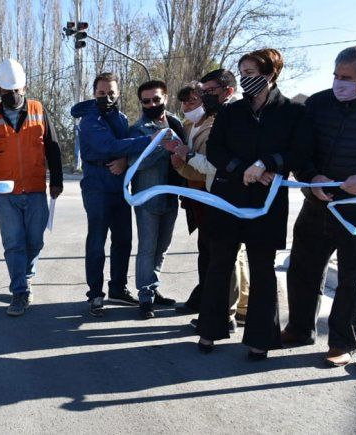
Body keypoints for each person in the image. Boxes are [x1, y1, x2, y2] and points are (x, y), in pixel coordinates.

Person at [284, 45, 356, 367]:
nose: (338, 83)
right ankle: (299, 328)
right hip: (318, 201)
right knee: (303, 268)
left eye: (346, 78)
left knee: (354, 278)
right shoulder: (318, 104)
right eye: (335, 75)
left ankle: (342, 343)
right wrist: (310, 176)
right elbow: (300, 150)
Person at [197, 48, 310, 360]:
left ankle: (260, 339)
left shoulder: (293, 113)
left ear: (271, 74)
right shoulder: (231, 112)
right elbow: (216, 151)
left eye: (251, 73)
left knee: (262, 269)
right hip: (228, 196)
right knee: (220, 264)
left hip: (267, 201)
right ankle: (210, 330)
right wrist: (240, 169)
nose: (246, 79)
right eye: (242, 73)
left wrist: (267, 165)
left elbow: (299, 153)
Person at [70, 72, 165, 317]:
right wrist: (148, 140)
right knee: (97, 241)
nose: (107, 97)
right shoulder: (90, 120)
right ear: (94, 93)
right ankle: (95, 294)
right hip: (97, 187)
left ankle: (118, 287)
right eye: (102, 93)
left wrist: (124, 158)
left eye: (112, 93)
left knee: (123, 240)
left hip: (119, 186)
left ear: (119, 93)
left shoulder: (121, 118)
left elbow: (124, 144)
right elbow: (108, 146)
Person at [0, 59, 63, 317]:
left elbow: (53, 147)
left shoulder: (38, 109)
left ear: (23, 87)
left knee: (34, 240)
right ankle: (20, 292)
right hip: (5, 194)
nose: (12, 95)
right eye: (6, 90)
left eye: (16, 90)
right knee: (13, 242)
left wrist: (56, 181)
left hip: (35, 189)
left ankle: (26, 274)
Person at [170, 74, 248, 333]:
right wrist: (182, 161)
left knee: (226, 255)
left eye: (199, 97)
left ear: (228, 91)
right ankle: (225, 307)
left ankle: (226, 313)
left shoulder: (224, 121)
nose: (191, 106)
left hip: (218, 195)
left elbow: (210, 165)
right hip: (201, 196)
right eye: (188, 102)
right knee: (217, 253)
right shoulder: (191, 125)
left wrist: (185, 158)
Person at [128, 80, 186, 319]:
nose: (152, 104)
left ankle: (154, 286)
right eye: (146, 101)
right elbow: (135, 164)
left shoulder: (175, 123)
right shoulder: (138, 129)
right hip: (147, 198)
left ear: (165, 98)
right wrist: (161, 147)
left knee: (162, 248)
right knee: (147, 248)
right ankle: (145, 296)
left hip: (171, 197)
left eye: (156, 99)